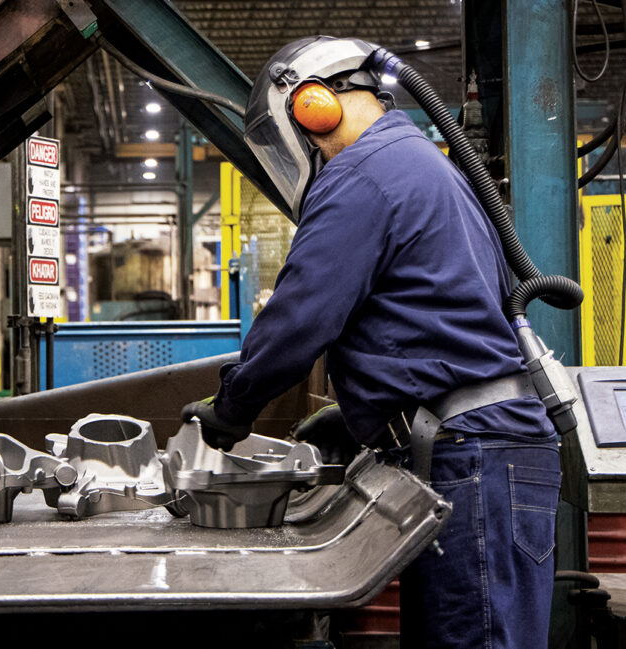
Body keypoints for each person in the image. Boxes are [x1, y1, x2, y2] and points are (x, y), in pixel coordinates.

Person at [182, 36, 561, 648]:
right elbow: (431, 317)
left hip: (475, 460)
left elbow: (299, 318)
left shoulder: (363, 172)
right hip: (475, 453)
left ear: (312, 106)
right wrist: (370, 417)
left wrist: (232, 410)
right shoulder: (412, 160)